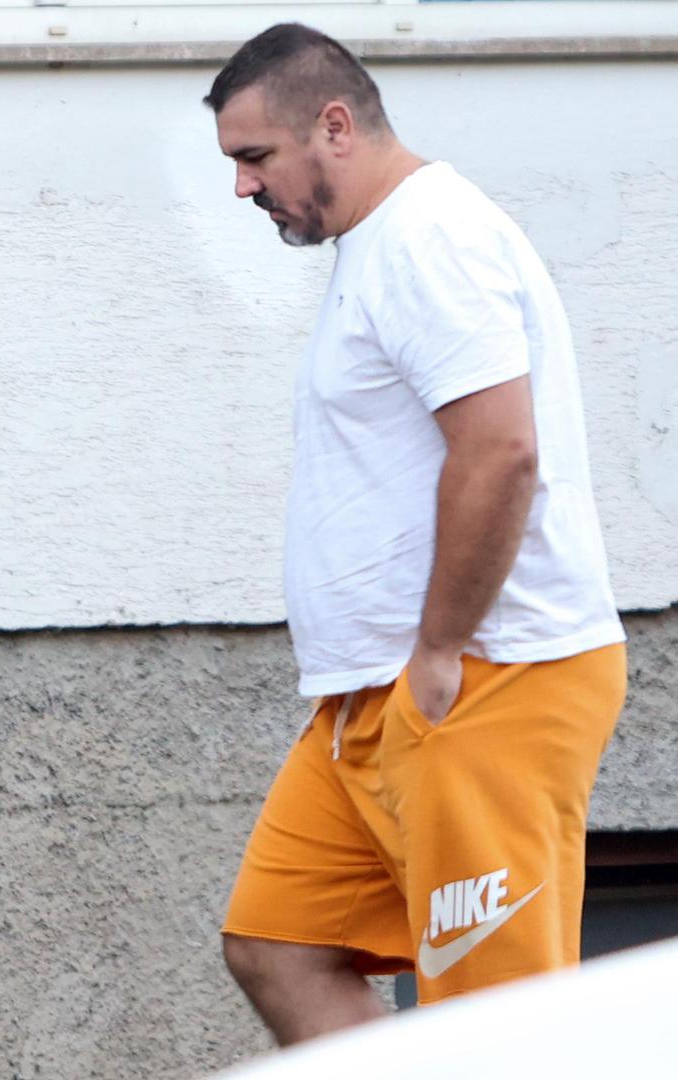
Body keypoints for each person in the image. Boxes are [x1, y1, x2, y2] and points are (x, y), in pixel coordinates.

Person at [204, 23, 627, 1046]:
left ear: (334, 126)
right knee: (277, 946)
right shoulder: (380, 244)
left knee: (499, 1034)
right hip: (373, 696)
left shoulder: (431, 237)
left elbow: (500, 451)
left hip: (485, 681)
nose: (243, 187)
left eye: (255, 157)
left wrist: (439, 650)